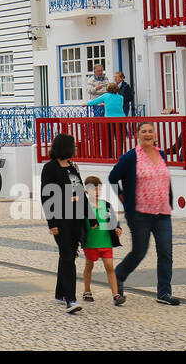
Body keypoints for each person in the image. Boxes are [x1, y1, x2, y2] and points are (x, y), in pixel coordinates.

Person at [109, 123, 179, 305]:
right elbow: (113, 177)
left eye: (150, 131)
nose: (148, 134)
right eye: (144, 131)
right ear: (138, 135)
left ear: (155, 134)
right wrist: (124, 198)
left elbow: (164, 179)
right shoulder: (131, 157)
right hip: (139, 214)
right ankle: (119, 275)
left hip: (163, 212)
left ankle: (164, 293)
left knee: (166, 252)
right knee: (139, 251)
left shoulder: (161, 154)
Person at [41, 132, 85, 313]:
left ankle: (60, 293)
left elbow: (81, 192)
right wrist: (52, 223)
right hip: (61, 219)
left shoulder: (73, 167)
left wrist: (90, 219)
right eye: (72, 145)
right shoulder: (50, 168)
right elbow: (46, 196)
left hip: (76, 218)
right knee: (67, 256)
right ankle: (71, 300)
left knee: (69, 255)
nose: (75, 148)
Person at [80, 176, 124, 305]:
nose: (97, 191)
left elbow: (114, 221)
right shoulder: (84, 207)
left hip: (106, 241)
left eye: (99, 189)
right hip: (91, 242)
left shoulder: (107, 205)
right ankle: (87, 291)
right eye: (94, 189)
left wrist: (118, 228)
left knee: (110, 267)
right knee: (89, 266)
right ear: (87, 191)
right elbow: (79, 225)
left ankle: (116, 295)